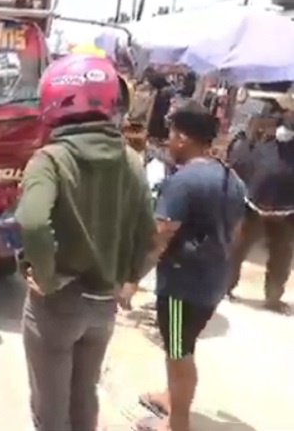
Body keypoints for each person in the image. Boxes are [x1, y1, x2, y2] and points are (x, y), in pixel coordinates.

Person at [16, 54, 155, 431]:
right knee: (84, 397)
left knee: (51, 409)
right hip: (103, 306)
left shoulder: (49, 159)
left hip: (57, 305)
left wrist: (46, 276)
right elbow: (150, 236)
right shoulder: (132, 161)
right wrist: (129, 280)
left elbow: (31, 220)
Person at [138, 99, 246, 431]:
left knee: (178, 351)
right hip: (212, 281)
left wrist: (130, 278)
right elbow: (236, 231)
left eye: (171, 135)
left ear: (183, 137)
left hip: (181, 286)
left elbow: (160, 236)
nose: (168, 142)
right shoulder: (232, 179)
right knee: (185, 343)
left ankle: (177, 423)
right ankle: (172, 397)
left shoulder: (183, 181)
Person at [225, 104, 294, 312]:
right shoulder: (262, 146)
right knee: (238, 247)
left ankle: (273, 298)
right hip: (254, 204)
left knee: (281, 254)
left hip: (288, 210)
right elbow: (243, 166)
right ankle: (224, 286)